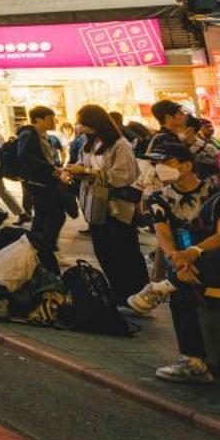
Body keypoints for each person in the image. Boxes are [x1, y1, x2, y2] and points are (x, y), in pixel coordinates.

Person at [131, 136, 220, 385]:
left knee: (213, 259)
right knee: (184, 294)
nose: (158, 168)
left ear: (186, 165)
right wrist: (177, 259)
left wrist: (193, 253)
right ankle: (193, 361)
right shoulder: (159, 199)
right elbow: (163, 235)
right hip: (185, 266)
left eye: (165, 162)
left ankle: (161, 287)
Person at [66, 103, 146, 302]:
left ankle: (136, 294)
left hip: (117, 207)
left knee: (124, 251)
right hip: (94, 204)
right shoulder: (88, 143)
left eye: (84, 123)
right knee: (103, 250)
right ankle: (118, 290)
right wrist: (72, 171)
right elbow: (84, 165)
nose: (80, 127)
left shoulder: (120, 145)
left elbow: (124, 176)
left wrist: (86, 172)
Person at [12, 105, 68, 260]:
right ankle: (45, 246)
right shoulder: (29, 133)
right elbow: (25, 157)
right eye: (50, 119)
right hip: (37, 181)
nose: (54, 122)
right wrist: (50, 168)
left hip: (45, 179)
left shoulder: (42, 134)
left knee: (43, 214)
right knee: (55, 215)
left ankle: (36, 246)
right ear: (38, 119)